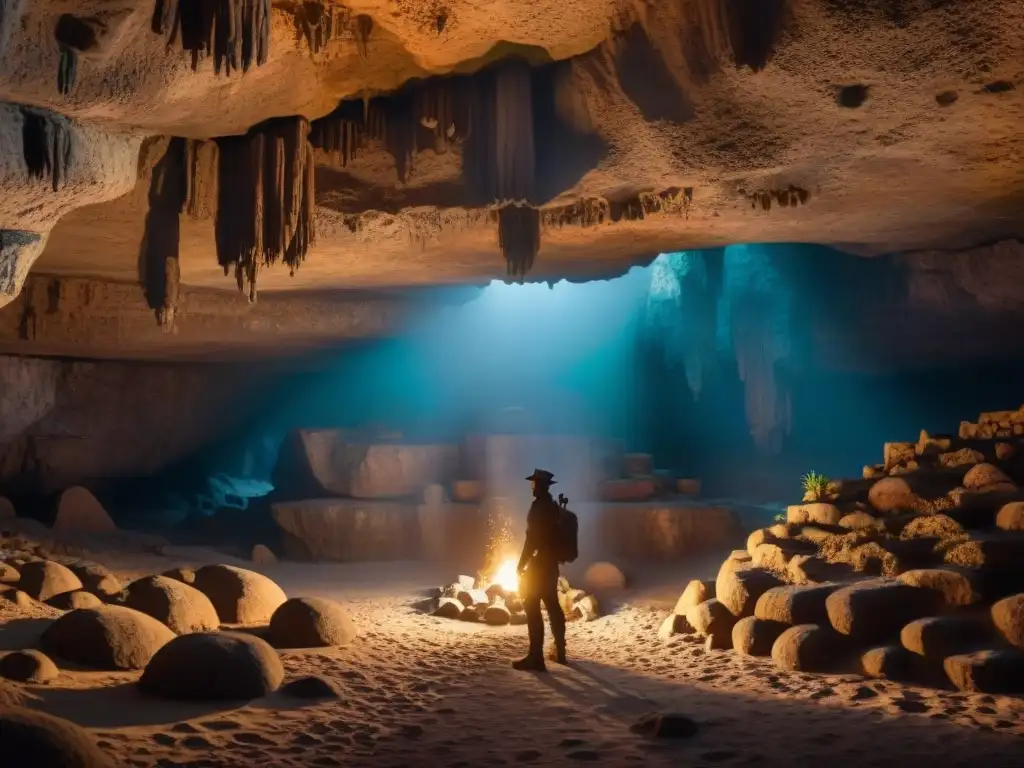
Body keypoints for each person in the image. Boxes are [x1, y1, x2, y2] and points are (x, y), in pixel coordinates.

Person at [513, 468, 567, 672]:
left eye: (534, 484)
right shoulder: (553, 507)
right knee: (553, 605)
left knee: (532, 606)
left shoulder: (538, 508)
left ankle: (536, 656)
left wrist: (520, 564)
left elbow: (531, 540)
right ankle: (560, 651)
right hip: (551, 564)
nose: (532, 487)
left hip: (538, 565)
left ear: (541, 486)